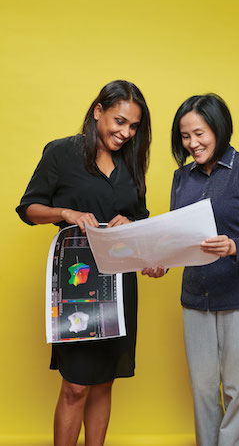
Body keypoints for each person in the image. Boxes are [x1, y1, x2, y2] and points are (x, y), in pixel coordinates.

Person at [16, 80, 151, 446]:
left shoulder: (131, 162)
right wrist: (66, 212)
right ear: (98, 111)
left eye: (134, 126)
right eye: (120, 121)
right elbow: (28, 208)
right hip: (77, 283)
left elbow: (141, 217)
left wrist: (133, 223)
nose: (126, 133)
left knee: (105, 382)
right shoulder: (61, 153)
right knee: (75, 386)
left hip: (119, 285)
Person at [144, 93, 239, 446]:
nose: (192, 143)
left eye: (200, 134)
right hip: (196, 297)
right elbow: (179, 239)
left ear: (219, 129)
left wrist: (234, 246)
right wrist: (162, 263)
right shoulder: (181, 178)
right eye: (185, 136)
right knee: (203, 390)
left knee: (237, 390)